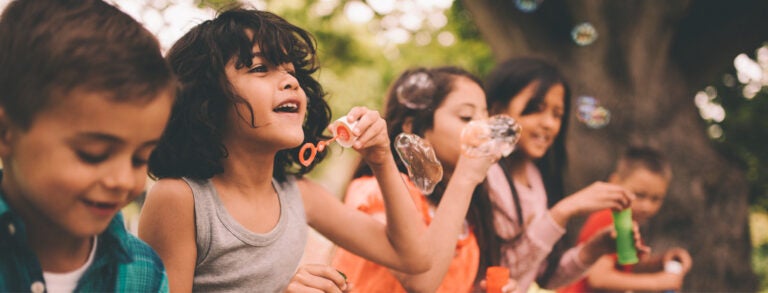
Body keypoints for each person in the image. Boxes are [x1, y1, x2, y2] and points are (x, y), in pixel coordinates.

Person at [138, 7, 431, 292]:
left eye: (291, 71)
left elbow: (413, 257)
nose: (291, 81)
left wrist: (381, 160)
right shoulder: (181, 199)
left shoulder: (297, 194)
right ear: (206, 99)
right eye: (260, 68)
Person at [0, 0, 174, 292]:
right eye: (93, 155)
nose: (122, 181)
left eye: (140, 158)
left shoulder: (145, 272)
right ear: (6, 133)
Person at [332, 67, 517, 292]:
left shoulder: (463, 209)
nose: (484, 129)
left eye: (486, 116)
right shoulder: (377, 192)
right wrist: (465, 178)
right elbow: (419, 282)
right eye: (466, 117)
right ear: (412, 127)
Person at [484, 57, 644, 292]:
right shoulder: (485, 177)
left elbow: (544, 275)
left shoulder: (537, 180)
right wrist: (561, 213)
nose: (549, 123)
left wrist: (594, 249)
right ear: (497, 111)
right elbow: (501, 272)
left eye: (557, 114)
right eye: (536, 109)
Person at [558, 146, 693, 293]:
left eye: (656, 199)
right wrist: (658, 282)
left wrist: (661, 263)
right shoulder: (607, 218)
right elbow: (599, 278)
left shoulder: (631, 222)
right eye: (640, 195)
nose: (647, 206)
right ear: (614, 182)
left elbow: (629, 267)